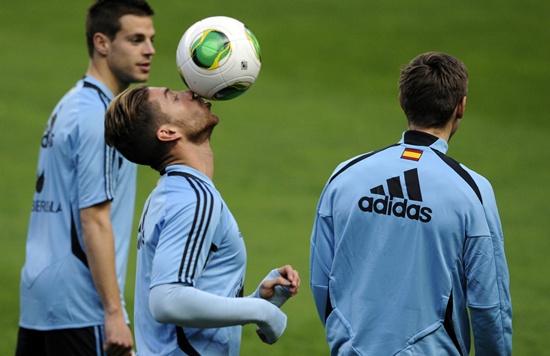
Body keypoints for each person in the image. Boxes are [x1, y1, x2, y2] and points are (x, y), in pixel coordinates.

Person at [309, 52, 512, 355]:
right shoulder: (473, 191)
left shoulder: (345, 175)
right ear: (461, 107)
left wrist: (349, 339)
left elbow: (321, 282)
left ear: (403, 100)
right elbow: (488, 307)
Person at [104, 86, 301, 355]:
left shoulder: (171, 193)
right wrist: (260, 311)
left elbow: (185, 307)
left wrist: (258, 299)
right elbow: (167, 301)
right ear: (168, 132)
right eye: (174, 97)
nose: (189, 92)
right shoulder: (194, 198)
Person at [16, 1, 155, 355]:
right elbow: (94, 217)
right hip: (80, 303)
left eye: (151, 39)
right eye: (136, 39)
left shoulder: (70, 103)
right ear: (102, 43)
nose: (149, 50)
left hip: (39, 295)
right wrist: (113, 312)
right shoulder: (99, 117)